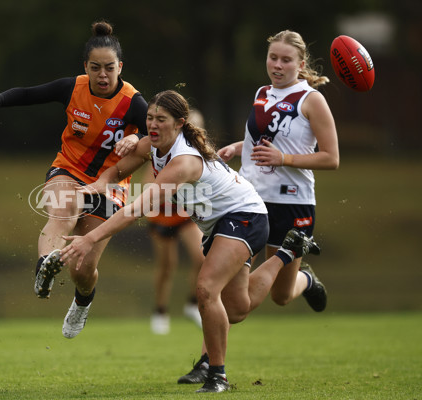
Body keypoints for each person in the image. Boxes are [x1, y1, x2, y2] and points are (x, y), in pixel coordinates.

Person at [59, 90, 319, 392]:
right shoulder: (152, 144)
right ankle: (288, 252)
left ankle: (217, 375)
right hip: (221, 222)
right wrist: (102, 183)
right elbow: (118, 169)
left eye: (161, 120)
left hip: (245, 215)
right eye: (150, 118)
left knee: (206, 289)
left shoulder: (183, 162)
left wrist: (88, 239)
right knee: (237, 308)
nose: (153, 125)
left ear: (180, 123)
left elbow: (136, 210)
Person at [0, 21, 148, 339]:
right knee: (63, 210)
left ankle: (82, 301)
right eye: (95, 68)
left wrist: (138, 140)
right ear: (85, 67)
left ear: (120, 67)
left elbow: (158, 134)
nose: (102, 76)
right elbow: (28, 94)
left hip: (111, 185)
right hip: (69, 169)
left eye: (109, 68)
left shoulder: (133, 103)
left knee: (82, 270)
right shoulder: (72, 87)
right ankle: (44, 269)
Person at [177, 29, 339, 385]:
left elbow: (331, 157)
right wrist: (239, 147)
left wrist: (284, 158)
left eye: (285, 60)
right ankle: (208, 362)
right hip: (248, 202)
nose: (277, 65)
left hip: (293, 205)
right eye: (273, 58)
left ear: (300, 64)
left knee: (280, 296)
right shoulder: (262, 94)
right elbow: (263, 140)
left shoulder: (311, 100)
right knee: (220, 286)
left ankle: (305, 279)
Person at [146, 109, 205, 334]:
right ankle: (160, 311)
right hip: (162, 214)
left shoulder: (196, 153)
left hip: (186, 214)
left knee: (201, 256)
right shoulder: (162, 151)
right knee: (166, 266)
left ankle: (193, 304)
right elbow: (148, 185)